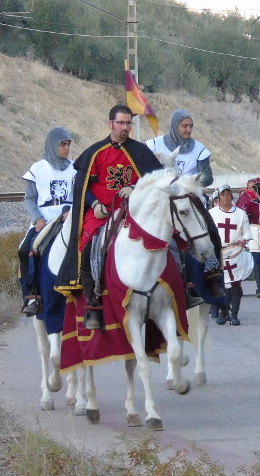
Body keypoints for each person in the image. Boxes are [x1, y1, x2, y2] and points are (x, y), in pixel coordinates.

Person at [56, 104, 163, 329]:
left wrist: (136, 187)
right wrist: (93, 204)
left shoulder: (141, 152)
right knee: (88, 244)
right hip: (102, 212)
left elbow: (156, 179)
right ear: (110, 124)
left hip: (134, 210)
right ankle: (93, 302)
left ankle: (182, 286)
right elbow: (82, 187)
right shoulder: (95, 152)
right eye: (121, 123)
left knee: (170, 235)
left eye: (128, 123)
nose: (125, 128)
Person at [146, 108, 224, 308]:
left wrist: (188, 182)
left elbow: (207, 176)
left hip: (190, 198)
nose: (188, 130)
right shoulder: (154, 145)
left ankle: (213, 274)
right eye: (184, 126)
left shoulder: (198, 148)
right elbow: (144, 171)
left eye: (190, 126)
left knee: (211, 231)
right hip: (164, 199)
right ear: (174, 126)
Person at [19, 126, 76, 315]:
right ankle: (31, 296)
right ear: (53, 145)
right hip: (44, 221)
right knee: (25, 250)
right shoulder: (38, 169)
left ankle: (93, 296)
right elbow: (29, 198)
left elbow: (80, 195)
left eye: (68, 144)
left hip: (68, 219)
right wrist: (37, 219)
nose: (66, 148)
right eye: (63, 145)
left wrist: (72, 211)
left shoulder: (75, 169)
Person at [209, 184, 252, 325]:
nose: (226, 197)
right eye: (223, 194)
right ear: (219, 197)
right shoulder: (212, 213)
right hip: (218, 254)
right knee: (220, 285)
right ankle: (223, 312)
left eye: (228, 194)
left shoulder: (240, 214)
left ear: (232, 196)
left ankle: (234, 314)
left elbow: (247, 232)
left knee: (234, 284)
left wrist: (243, 239)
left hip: (235, 253)